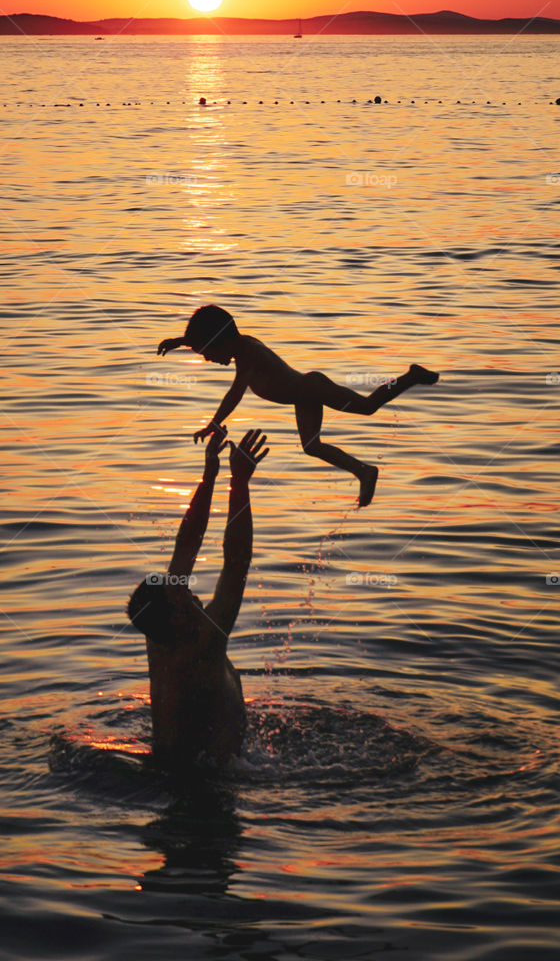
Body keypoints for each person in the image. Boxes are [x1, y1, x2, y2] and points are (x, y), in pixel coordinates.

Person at [157, 304, 438, 507]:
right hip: (303, 397)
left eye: (208, 353)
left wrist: (214, 423)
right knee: (312, 446)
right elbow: (214, 334)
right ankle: (364, 471)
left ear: (222, 342)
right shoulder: (237, 345)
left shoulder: (249, 355)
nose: (208, 360)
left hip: (312, 388)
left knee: (367, 406)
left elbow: (235, 394)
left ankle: (410, 376)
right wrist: (178, 341)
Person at [126, 426, 268, 768]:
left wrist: (210, 475)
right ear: (175, 617)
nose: (189, 590)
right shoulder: (202, 643)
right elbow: (236, 563)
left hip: (172, 773)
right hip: (203, 789)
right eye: (182, 594)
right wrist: (240, 482)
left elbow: (187, 544)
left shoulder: (159, 634)